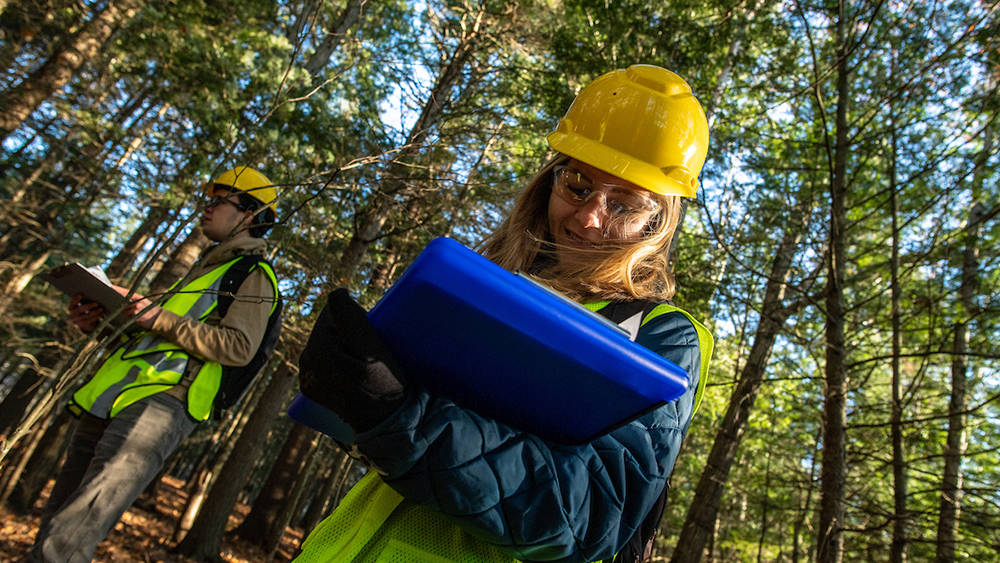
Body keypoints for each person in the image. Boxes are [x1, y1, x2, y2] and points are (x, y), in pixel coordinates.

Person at [294, 64, 714, 563]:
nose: (589, 217)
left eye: (625, 205)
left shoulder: (662, 335)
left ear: (657, 223)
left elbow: (591, 514)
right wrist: (356, 394)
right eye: (577, 185)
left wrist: (399, 417)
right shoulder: (482, 285)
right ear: (549, 182)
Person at [28, 167, 283, 563]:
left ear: (249, 215)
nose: (207, 208)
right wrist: (96, 324)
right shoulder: (203, 272)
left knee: (71, 535)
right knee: (56, 522)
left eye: (219, 201)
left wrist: (157, 317)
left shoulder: (253, 275)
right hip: (111, 399)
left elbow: (238, 347)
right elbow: (150, 338)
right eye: (208, 200)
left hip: (160, 408)